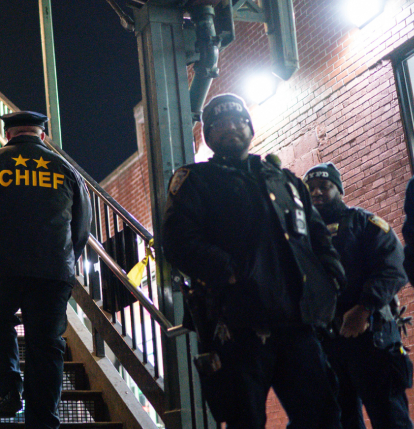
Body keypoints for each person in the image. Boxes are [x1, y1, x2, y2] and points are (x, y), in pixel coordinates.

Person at [162, 93, 346, 429]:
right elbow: (178, 242)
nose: (229, 129)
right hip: (237, 325)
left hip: (298, 323)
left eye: (236, 121)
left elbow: (318, 239)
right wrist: (231, 273)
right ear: (208, 136)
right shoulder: (195, 180)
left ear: (249, 127)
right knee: (243, 420)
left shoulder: (285, 180)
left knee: (324, 416)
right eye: (218, 125)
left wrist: (331, 279)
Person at [0, 110, 92, 427]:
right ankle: (43, 416)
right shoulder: (66, 169)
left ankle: (7, 392)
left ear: (8, 135)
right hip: (52, 270)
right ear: (42, 136)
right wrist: (69, 258)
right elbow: (82, 225)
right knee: (47, 344)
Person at [305, 163, 412, 429]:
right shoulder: (302, 237)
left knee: (389, 416)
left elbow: (393, 268)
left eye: (325, 186)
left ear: (339, 189)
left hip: (370, 335)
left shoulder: (364, 223)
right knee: (341, 419)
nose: (317, 192)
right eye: (312, 189)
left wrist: (364, 308)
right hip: (327, 341)